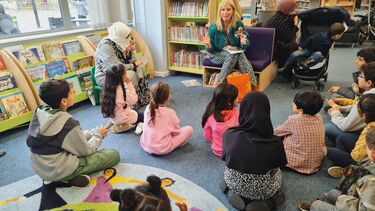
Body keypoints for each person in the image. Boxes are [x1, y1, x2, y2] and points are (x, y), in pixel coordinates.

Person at [26, 79, 120, 187]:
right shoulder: (68, 123)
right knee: (113, 154)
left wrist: (93, 132)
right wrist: (99, 135)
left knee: (77, 144)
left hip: (42, 168)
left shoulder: (40, 111)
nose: (73, 92)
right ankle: (67, 178)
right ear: (64, 101)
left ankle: (56, 178)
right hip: (58, 168)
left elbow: (69, 138)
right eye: (71, 92)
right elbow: (87, 151)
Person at [221, 92, 287, 211]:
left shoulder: (229, 134)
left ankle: (229, 190)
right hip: (264, 189)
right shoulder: (276, 143)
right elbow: (278, 166)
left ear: (243, 110)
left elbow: (225, 158)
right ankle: (269, 202)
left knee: (229, 173)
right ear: (267, 112)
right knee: (278, 174)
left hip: (233, 182)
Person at [298, 127, 375, 211]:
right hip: (357, 198)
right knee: (332, 194)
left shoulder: (372, 183)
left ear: (373, 154)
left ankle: (314, 206)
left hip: (357, 204)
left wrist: (343, 199)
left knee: (316, 205)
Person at [199, 0, 257, 86]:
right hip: (215, 54)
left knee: (239, 54)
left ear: (233, 11)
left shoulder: (239, 25)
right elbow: (211, 50)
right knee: (234, 55)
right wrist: (209, 45)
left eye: (228, 9)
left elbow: (245, 45)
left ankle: (251, 85)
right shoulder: (213, 27)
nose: (225, 13)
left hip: (233, 53)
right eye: (223, 10)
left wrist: (243, 42)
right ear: (220, 12)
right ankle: (221, 85)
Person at [95, 21, 150, 109]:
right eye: (127, 36)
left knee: (141, 67)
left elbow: (130, 60)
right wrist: (134, 65)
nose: (129, 39)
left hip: (122, 69)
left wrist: (129, 52)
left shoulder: (120, 41)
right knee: (130, 75)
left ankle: (142, 98)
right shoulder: (105, 46)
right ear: (121, 37)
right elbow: (116, 67)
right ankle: (131, 105)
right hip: (107, 75)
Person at [274, 91, 325, 174]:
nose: (292, 105)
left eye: (293, 104)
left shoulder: (293, 119)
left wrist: (280, 127)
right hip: (315, 164)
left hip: (295, 163)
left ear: (300, 110)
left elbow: (276, 133)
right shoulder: (319, 117)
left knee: (277, 138)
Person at [140, 82, 193, 155]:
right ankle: (177, 144)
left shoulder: (148, 108)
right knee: (189, 129)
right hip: (162, 148)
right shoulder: (170, 112)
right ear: (168, 97)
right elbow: (177, 131)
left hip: (146, 144)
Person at [327, 94, 375, 175]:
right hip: (364, 153)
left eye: (358, 111)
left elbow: (357, 157)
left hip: (362, 162)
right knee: (342, 138)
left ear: (364, 115)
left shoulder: (370, 131)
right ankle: (342, 167)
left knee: (327, 150)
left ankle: (348, 170)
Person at [280, 22, 346, 81]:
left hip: (314, 52)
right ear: (337, 36)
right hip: (309, 49)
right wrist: (302, 46)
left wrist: (324, 55)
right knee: (295, 54)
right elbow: (310, 38)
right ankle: (285, 67)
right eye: (341, 35)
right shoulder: (322, 36)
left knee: (317, 54)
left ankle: (305, 63)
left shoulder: (330, 39)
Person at [101, 64, 144, 134]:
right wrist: (129, 84)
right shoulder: (122, 91)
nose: (126, 74)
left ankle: (112, 125)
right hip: (124, 118)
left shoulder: (108, 89)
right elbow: (134, 99)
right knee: (145, 116)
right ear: (121, 76)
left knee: (129, 109)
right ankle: (124, 125)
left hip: (113, 117)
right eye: (125, 72)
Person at [202, 83, 239, 157]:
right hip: (233, 151)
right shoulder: (237, 114)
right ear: (229, 103)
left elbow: (207, 135)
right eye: (236, 98)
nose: (238, 99)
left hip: (217, 150)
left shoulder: (210, 115)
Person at [264, 0, 299, 68]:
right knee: (293, 46)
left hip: (266, 47)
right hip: (273, 49)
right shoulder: (284, 20)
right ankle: (285, 69)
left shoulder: (275, 17)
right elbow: (290, 37)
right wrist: (295, 24)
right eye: (294, 9)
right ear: (290, 9)